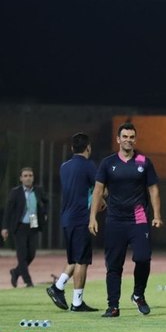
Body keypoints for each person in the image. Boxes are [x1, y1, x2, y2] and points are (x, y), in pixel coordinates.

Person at [89, 122, 163, 318]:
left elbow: (153, 189)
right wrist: (93, 217)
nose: (128, 140)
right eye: (125, 137)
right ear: (118, 139)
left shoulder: (143, 161)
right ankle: (113, 306)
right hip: (114, 220)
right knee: (113, 265)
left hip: (138, 219)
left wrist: (156, 215)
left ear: (135, 140)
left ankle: (138, 295)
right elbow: (97, 190)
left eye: (132, 137)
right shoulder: (107, 163)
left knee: (143, 258)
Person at [47, 133, 100, 312]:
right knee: (82, 261)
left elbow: (77, 189)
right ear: (88, 147)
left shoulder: (64, 166)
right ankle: (77, 302)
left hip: (67, 218)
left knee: (74, 257)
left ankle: (58, 286)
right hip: (81, 218)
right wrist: (101, 200)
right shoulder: (88, 166)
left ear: (72, 148)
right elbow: (100, 188)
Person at [2, 167, 48, 288]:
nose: (28, 178)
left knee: (31, 254)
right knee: (22, 256)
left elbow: (45, 202)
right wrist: (5, 228)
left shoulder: (38, 190)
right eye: (25, 176)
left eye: (30, 175)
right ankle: (28, 281)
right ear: (21, 178)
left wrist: (44, 214)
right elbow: (8, 211)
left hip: (33, 225)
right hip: (19, 226)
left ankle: (16, 272)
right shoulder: (15, 192)